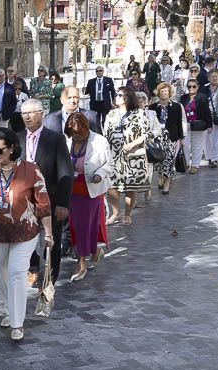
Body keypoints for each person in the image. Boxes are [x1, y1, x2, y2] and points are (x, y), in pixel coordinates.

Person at [0, 127, 52, 340]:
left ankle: (17, 323)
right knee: (2, 274)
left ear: (12, 149)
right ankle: (9, 309)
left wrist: (49, 234)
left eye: (0, 151)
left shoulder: (30, 170)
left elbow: (43, 203)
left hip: (25, 232)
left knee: (17, 273)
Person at [17, 99, 72, 295]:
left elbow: (65, 172)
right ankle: (33, 268)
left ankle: (51, 277)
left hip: (51, 199)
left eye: (31, 113)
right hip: (24, 201)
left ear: (41, 113)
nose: (27, 117)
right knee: (25, 237)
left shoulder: (55, 139)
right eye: (24, 114)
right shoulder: (18, 138)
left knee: (51, 240)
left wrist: (63, 203)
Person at [63, 116, 113, 281]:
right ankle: (94, 251)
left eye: (78, 134)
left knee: (85, 225)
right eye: (72, 134)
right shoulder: (67, 141)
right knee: (75, 225)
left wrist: (99, 174)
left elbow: (109, 164)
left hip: (90, 190)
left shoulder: (99, 141)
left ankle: (82, 261)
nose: (75, 137)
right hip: (72, 190)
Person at [103, 87, 152, 224]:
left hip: (132, 155)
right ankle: (116, 213)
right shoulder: (111, 114)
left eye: (120, 95)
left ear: (127, 97)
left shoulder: (140, 113)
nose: (116, 97)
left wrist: (133, 144)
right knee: (112, 186)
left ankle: (128, 213)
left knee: (130, 186)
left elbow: (147, 133)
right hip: (114, 155)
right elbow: (106, 133)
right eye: (116, 95)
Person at [148, 83, 185, 193]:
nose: (164, 93)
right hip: (157, 137)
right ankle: (160, 176)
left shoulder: (177, 106)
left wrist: (182, 138)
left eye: (166, 91)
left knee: (169, 159)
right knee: (159, 160)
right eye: (162, 91)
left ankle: (167, 182)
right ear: (158, 93)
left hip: (171, 136)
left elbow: (179, 123)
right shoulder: (153, 107)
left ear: (170, 93)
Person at [181, 79, 212, 173]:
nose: (191, 88)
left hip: (198, 124)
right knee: (185, 145)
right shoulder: (183, 97)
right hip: (186, 124)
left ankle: (195, 165)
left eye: (194, 86)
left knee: (197, 145)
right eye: (189, 86)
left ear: (198, 87)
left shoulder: (202, 97)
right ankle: (186, 163)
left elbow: (207, 111)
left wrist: (209, 125)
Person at [85, 65, 117, 130]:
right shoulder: (91, 81)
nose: (99, 72)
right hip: (95, 103)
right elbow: (87, 92)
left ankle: (105, 132)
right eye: (97, 71)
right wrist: (84, 90)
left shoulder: (108, 80)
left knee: (105, 120)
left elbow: (113, 92)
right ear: (95, 72)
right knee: (96, 120)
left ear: (103, 72)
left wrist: (114, 101)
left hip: (105, 103)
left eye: (100, 71)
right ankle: (98, 132)